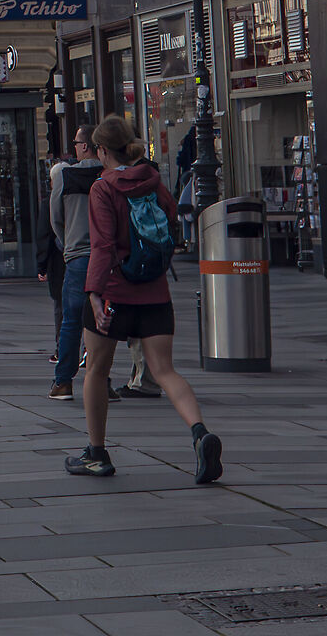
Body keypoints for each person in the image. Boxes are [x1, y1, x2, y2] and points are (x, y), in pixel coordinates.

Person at [67, 115, 221, 484]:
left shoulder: (103, 188)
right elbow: (170, 227)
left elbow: (102, 247)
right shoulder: (154, 182)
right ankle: (200, 433)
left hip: (115, 293)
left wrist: (93, 294)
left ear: (102, 150)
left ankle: (97, 453)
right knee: (165, 371)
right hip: (154, 292)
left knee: (96, 372)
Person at [48, 127, 99, 401]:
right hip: (106, 257)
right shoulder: (109, 175)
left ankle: (63, 381)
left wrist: (68, 241)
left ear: (84, 147)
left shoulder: (66, 176)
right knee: (102, 321)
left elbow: (55, 218)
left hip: (78, 254)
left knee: (71, 321)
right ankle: (101, 378)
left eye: (77, 142)